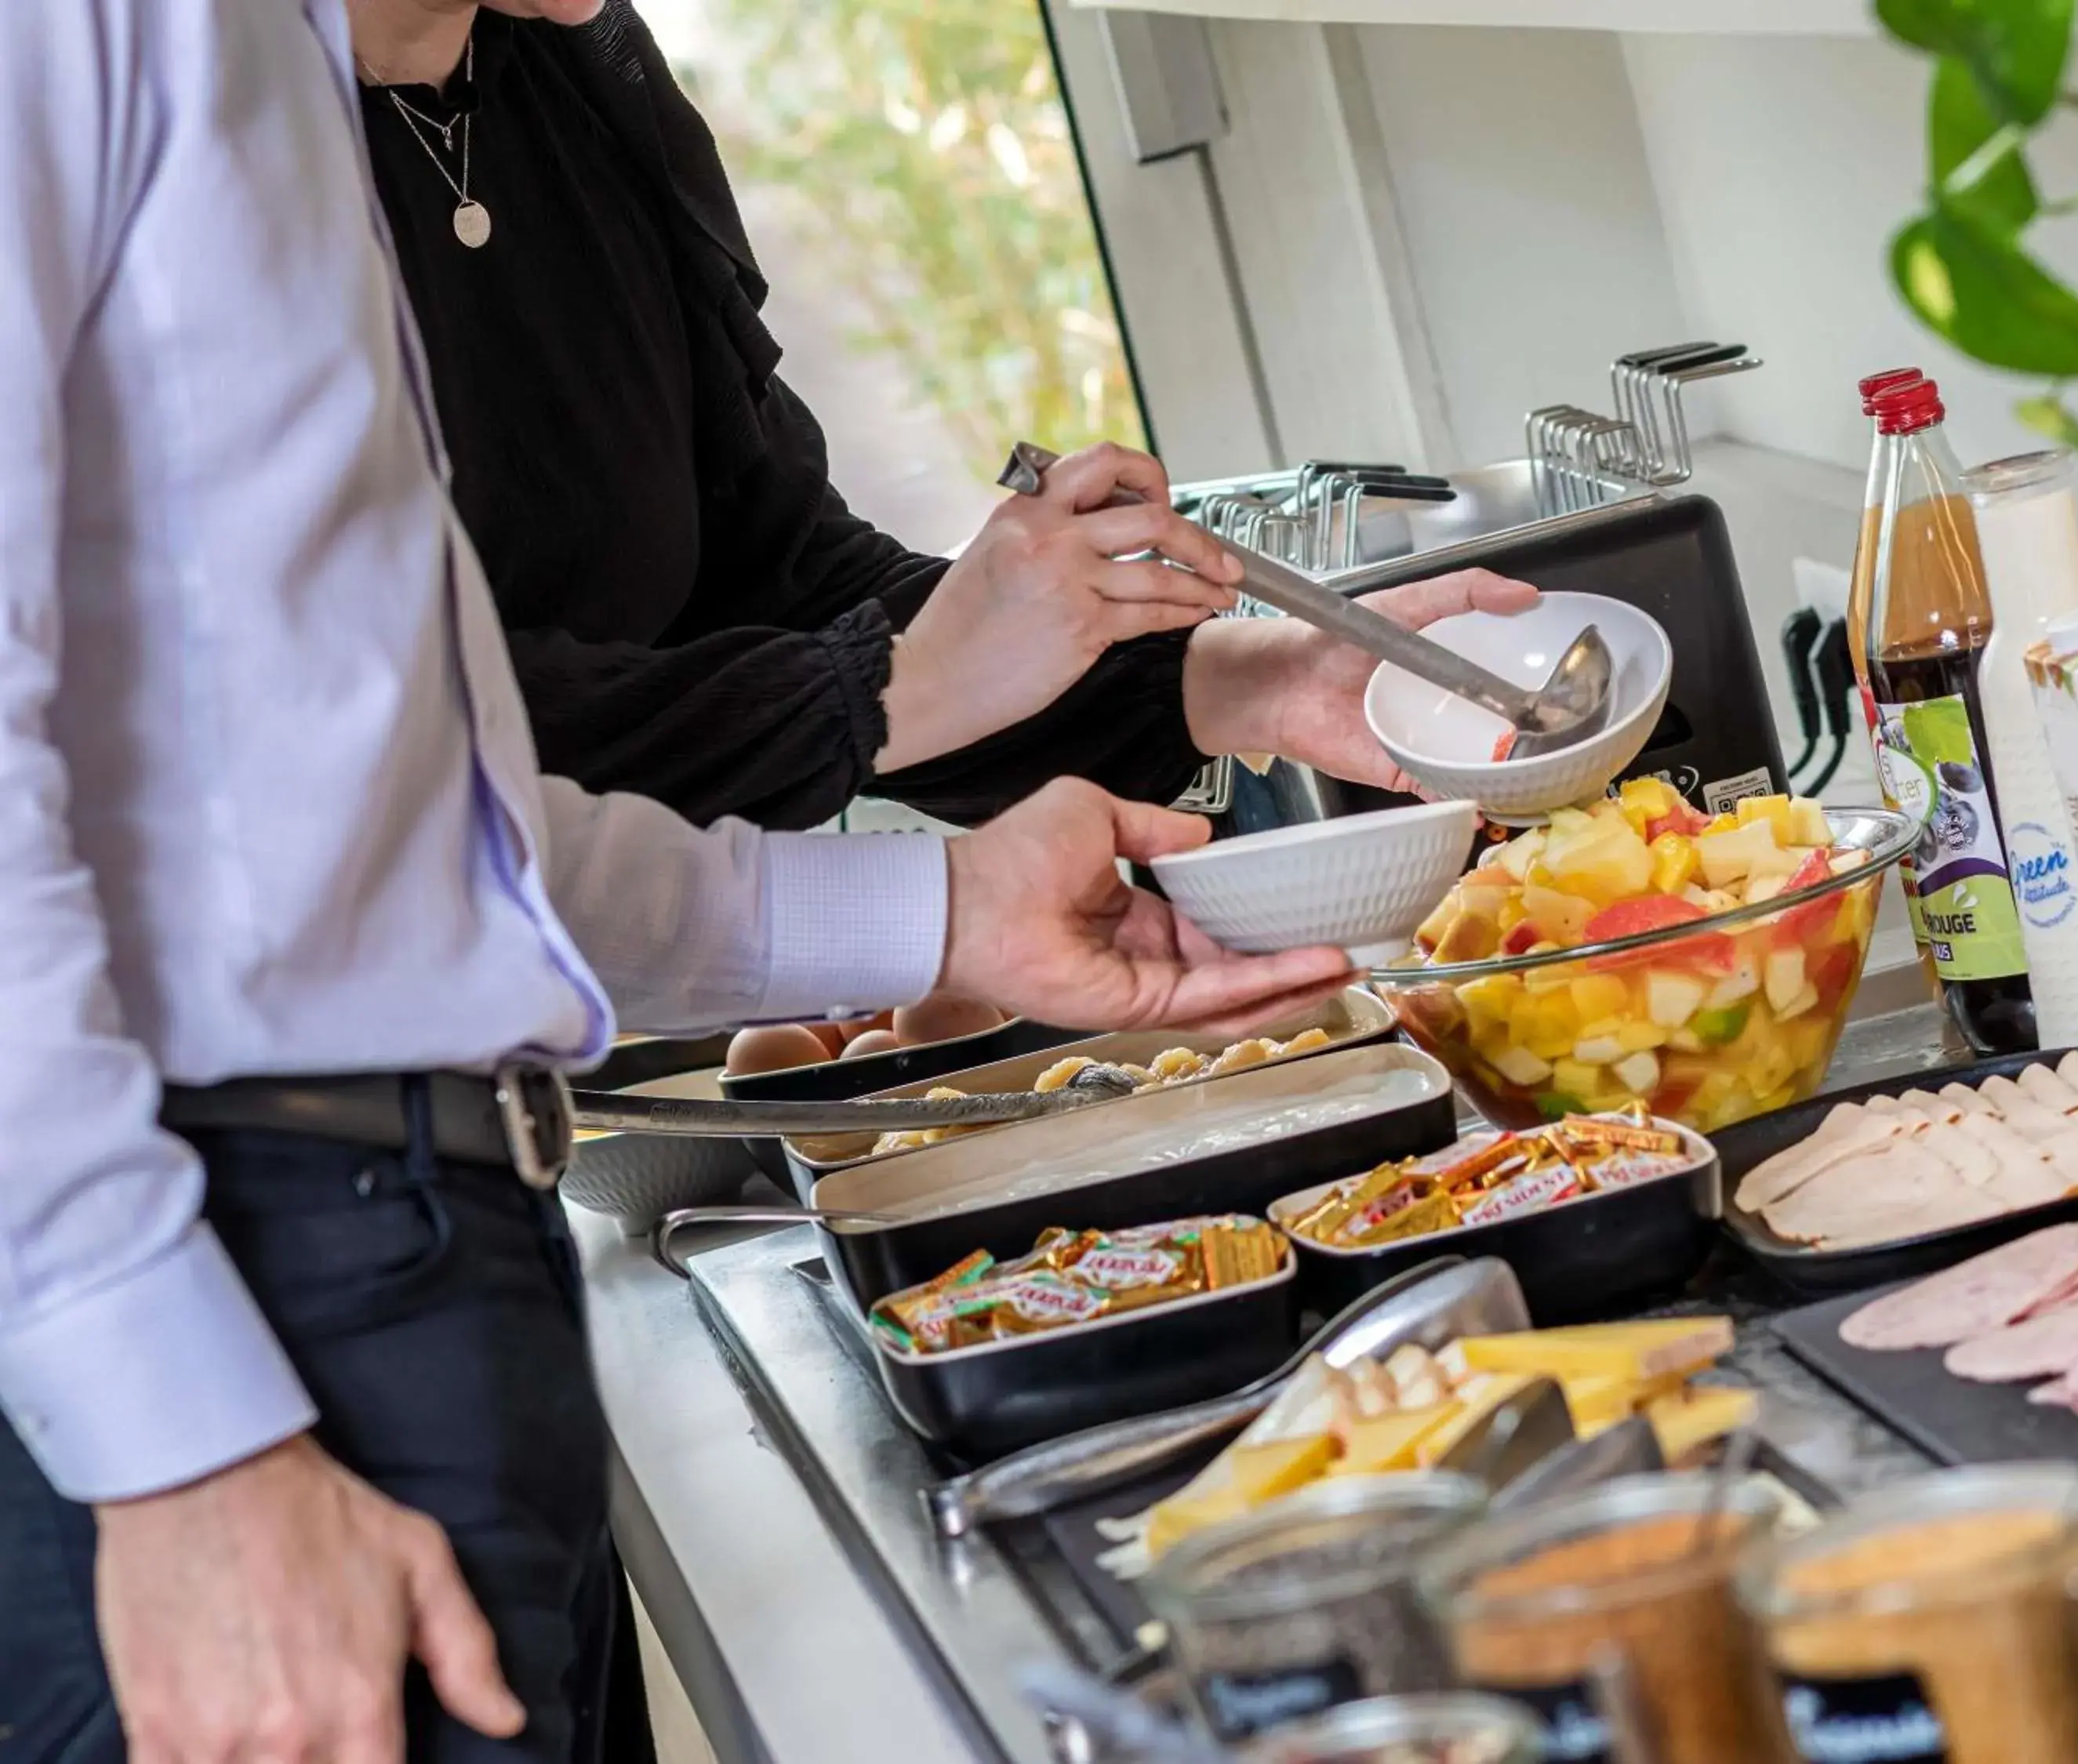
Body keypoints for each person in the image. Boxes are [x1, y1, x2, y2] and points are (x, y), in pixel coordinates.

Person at [0, 5, 1353, 1761]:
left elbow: (436, 814)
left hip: (442, 1239)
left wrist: (943, 912)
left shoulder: (459, 76)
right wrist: (181, 1447)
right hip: (214, 1278)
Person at [347, 0, 1535, 832]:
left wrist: (1249, 678)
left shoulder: (577, 70)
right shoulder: (218, 175)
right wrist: (892, 689)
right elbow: (403, 730)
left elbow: (777, 574)